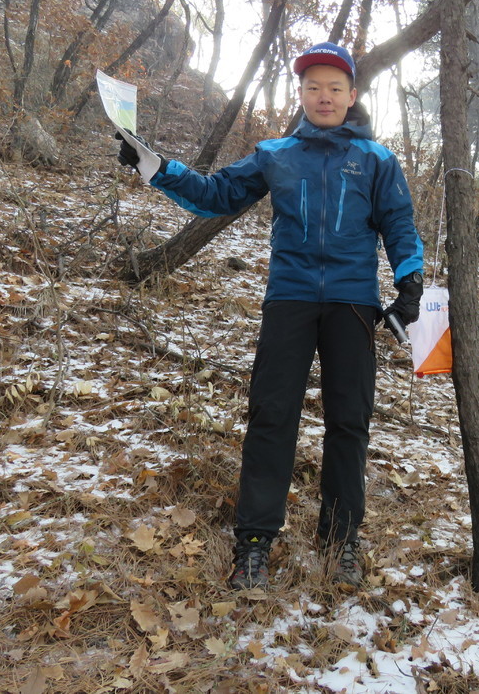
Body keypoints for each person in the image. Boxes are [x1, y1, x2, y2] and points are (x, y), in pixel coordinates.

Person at [115, 42, 424, 591]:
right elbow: (218, 194)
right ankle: (254, 543)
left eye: (334, 88)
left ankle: (341, 541)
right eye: (312, 87)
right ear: (300, 95)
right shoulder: (276, 154)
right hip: (290, 300)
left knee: (348, 423)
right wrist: (158, 168)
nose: (323, 96)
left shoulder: (377, 160)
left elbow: (398, 223)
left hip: (354, 304)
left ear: (352, 96)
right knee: (271, 417)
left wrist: (410, 281)